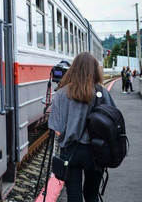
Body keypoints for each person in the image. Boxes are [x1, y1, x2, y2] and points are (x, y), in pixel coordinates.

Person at [49, 52, 116, 202]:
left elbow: (57, 129)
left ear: (74, 68)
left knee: (73, 195)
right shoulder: (101, 92)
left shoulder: (61, 93)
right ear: (94, 70)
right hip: (96, 152)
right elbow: (113, 122)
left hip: (70, 151)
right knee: (91, 194)